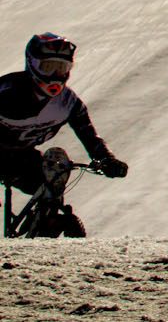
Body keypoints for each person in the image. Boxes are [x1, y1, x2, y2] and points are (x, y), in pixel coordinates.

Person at [0, 33, 128, 235]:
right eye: (48, 67)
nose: (55, 76)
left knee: (56, 165)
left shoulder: (67, 103)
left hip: (20, 157)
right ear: (32, 65)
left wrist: (106, 159)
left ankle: (46, 223)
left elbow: (89, 136)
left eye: (62, 68)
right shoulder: (6, 92)